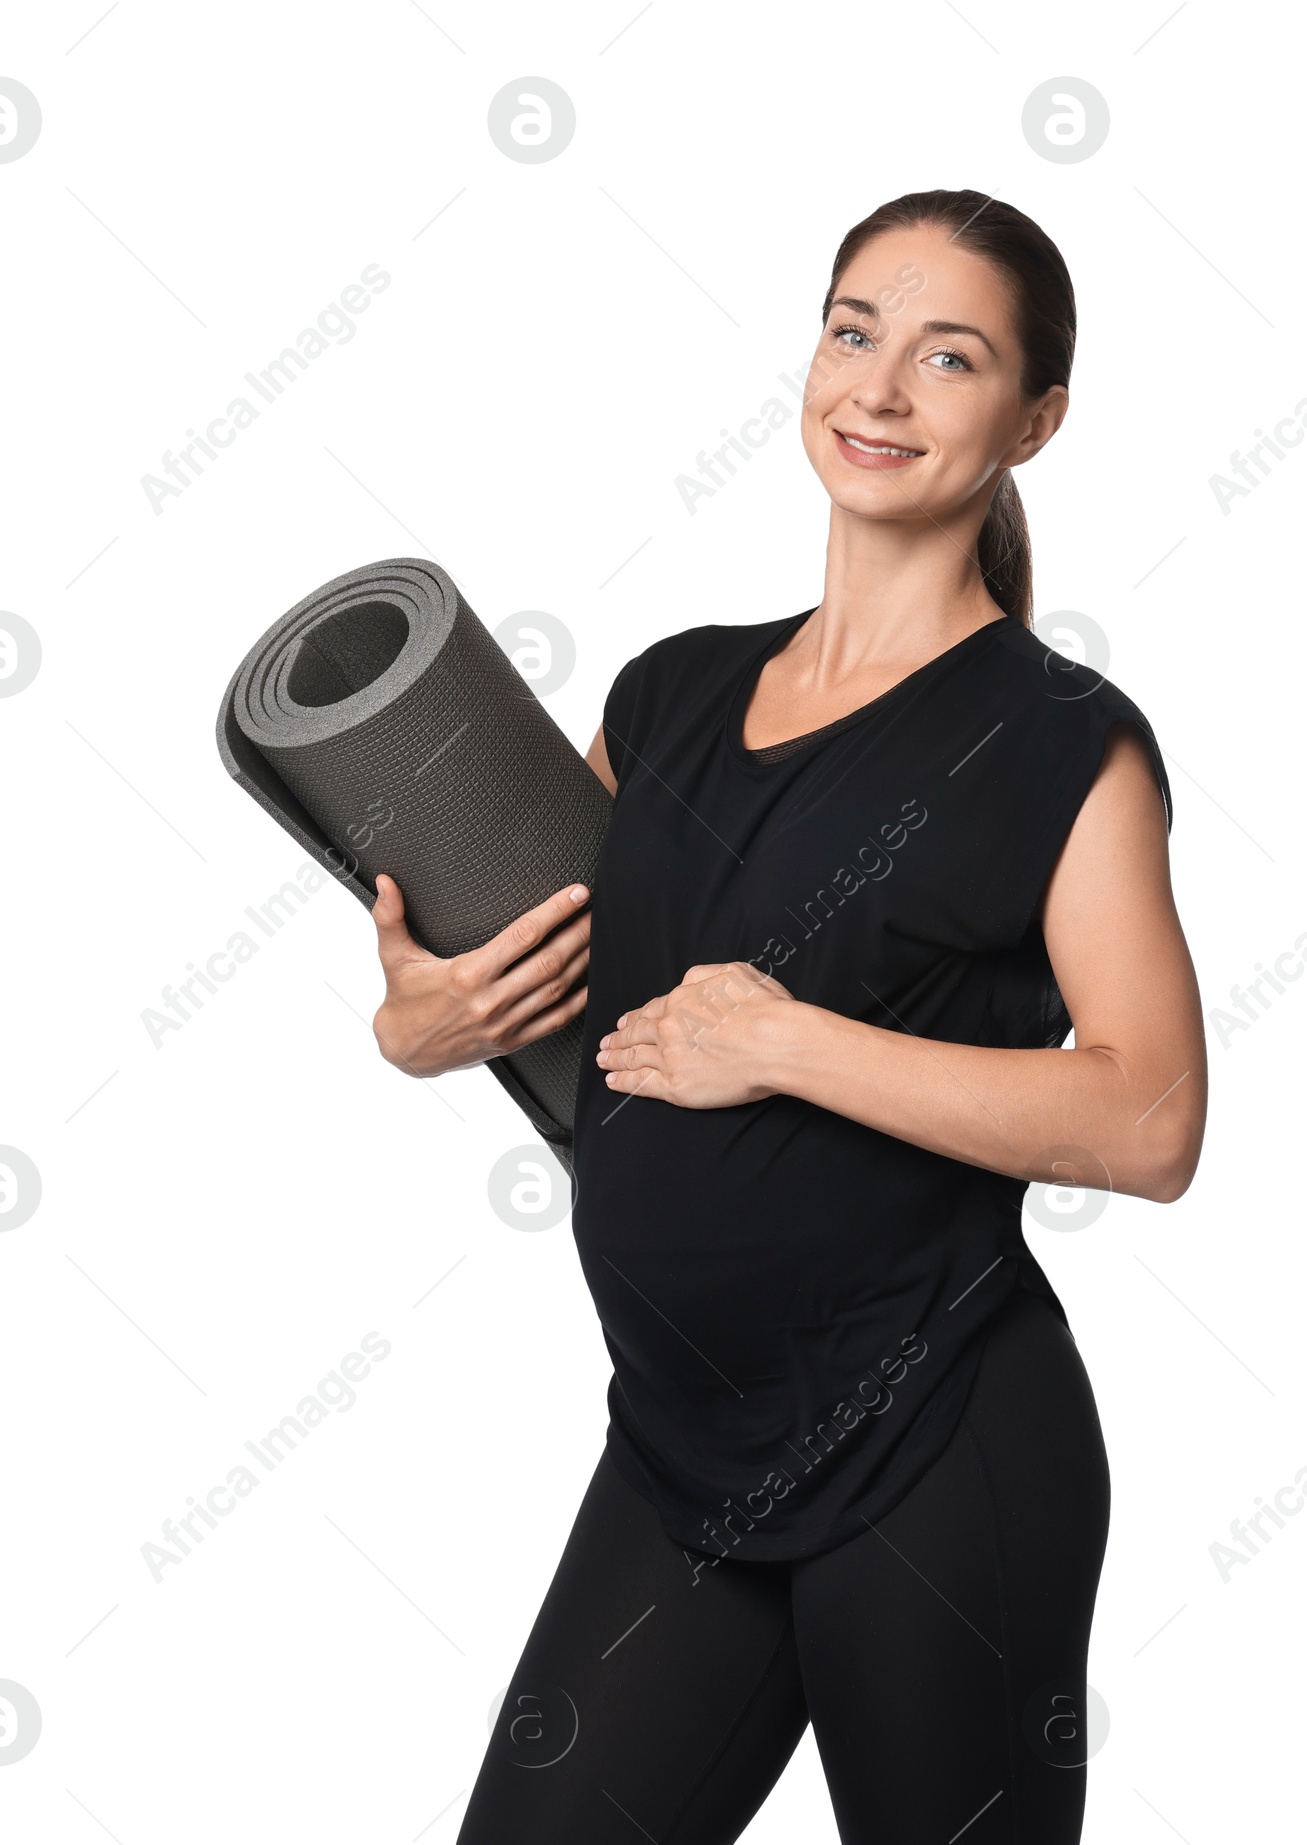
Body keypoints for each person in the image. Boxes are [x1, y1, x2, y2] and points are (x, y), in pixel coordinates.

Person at [369, 189, 1206, 1844]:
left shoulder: (1059, 742)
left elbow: (1148, 1119)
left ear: (1035, 418)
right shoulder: (666, 692)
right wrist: (423, 1024)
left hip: (946, 1444)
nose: (879, 389)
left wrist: (792, 1042)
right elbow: (586, 1033)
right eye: (853, 331)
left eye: (948, 357)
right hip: (682, 1450)